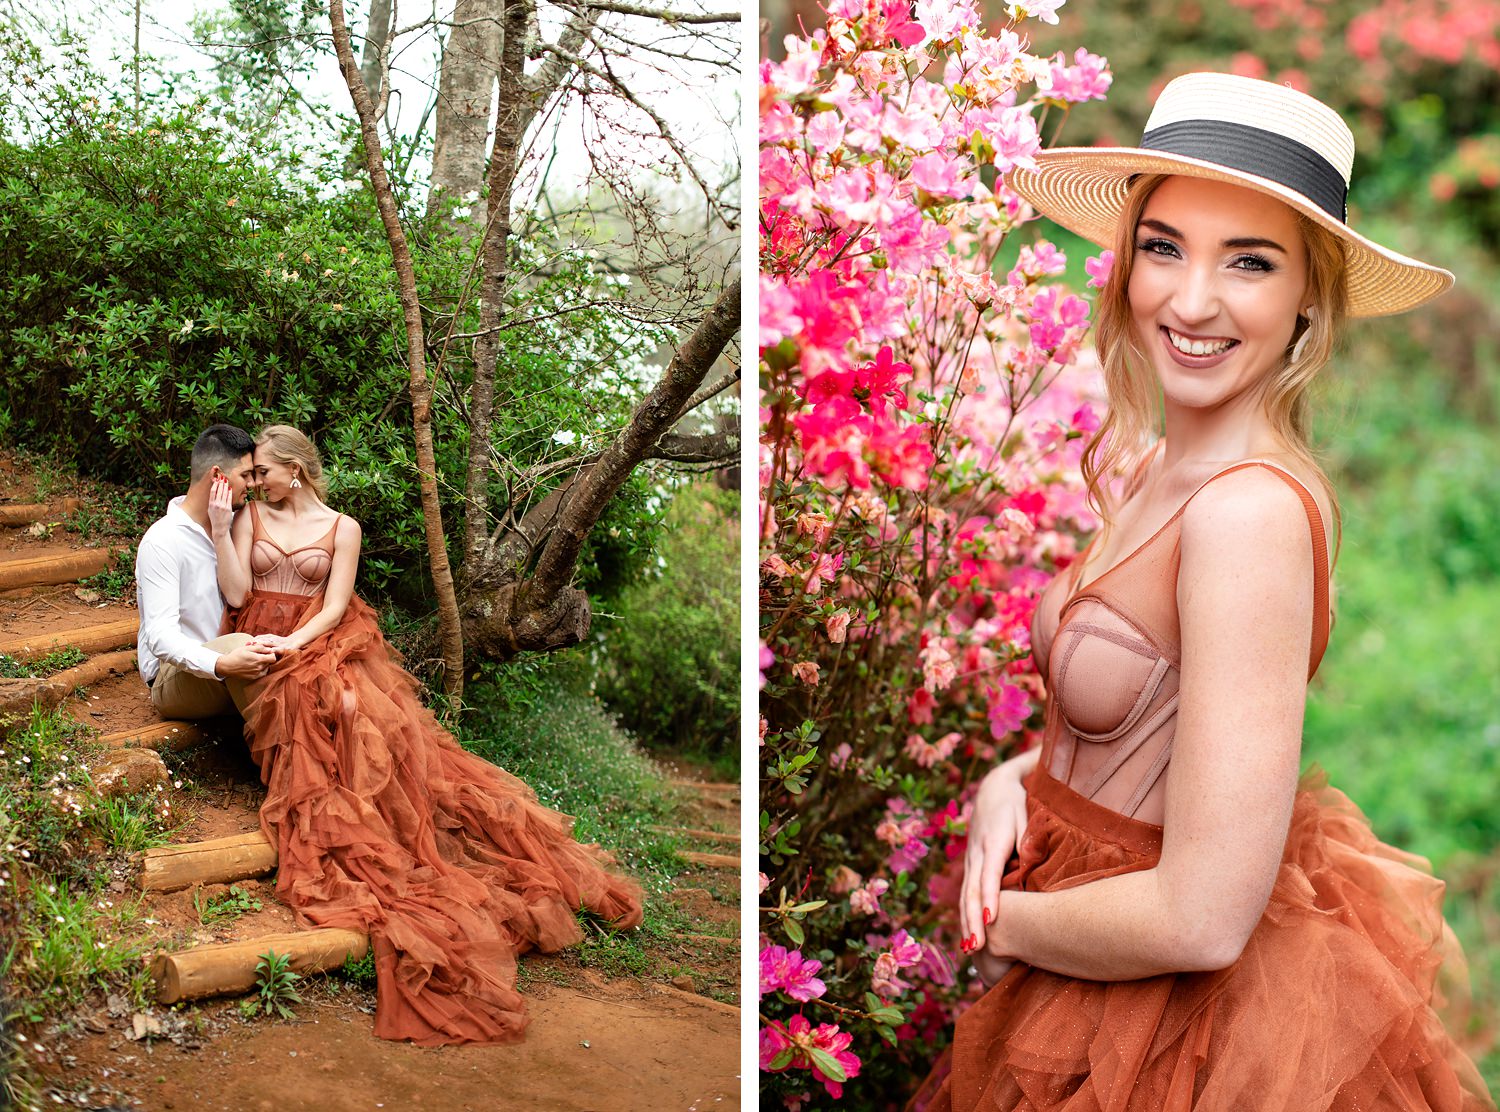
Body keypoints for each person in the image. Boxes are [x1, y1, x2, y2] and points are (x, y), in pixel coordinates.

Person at [919, 74, 1495, 1109]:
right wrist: (1015, 778)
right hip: (1088, 982)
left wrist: (996, 922)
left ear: (1310, 294)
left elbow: (1202, 917)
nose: (1190, 300)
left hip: (1169, 1033)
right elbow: (1153, 718)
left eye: (1250, 262)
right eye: (1165, 246)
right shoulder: (1153, 470)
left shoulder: (1247, 514)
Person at [216, 424, 643, 1046]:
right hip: (256, 629)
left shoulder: (343, 528)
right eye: (251, 475)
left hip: (316, 634)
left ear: (296, 470)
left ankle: (373, 816)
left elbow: (334, 607)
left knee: (353, 700)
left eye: (262, 472)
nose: (255, 481)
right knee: (312, 702)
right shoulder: (249, 515)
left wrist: (295, 641)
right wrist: (223, 526)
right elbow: (234, 591)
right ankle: (335, 807)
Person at [135, 424, 278, 718]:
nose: (253, 484)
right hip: (175, 678)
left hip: (232, 658)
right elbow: (160, 637)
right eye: (245, 475)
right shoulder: (163, 540)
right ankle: (282, 759)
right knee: (246, 646)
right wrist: (222, 663)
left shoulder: (237, 526)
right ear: (217, 476)